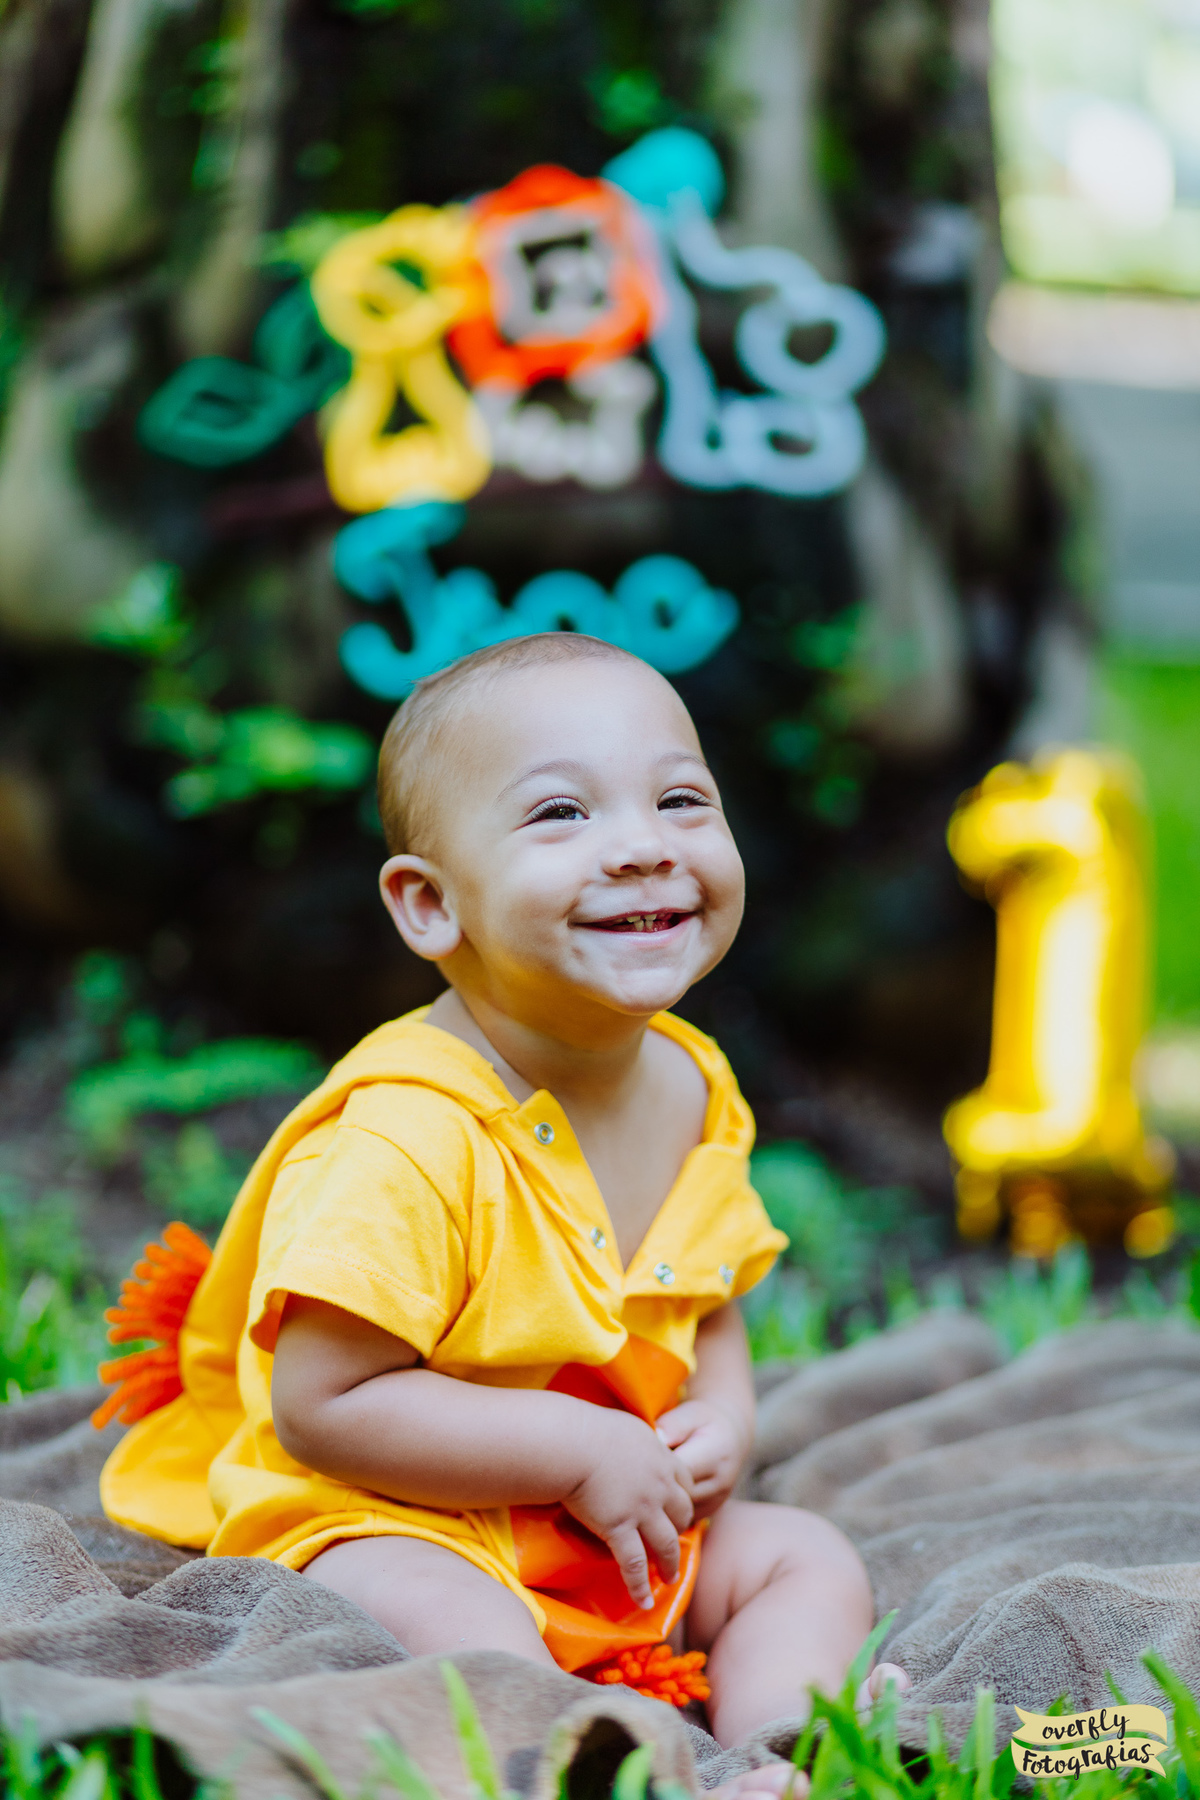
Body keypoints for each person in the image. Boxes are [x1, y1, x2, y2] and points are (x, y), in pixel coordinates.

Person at [98, 634, 904, 1798]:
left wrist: (722, 1421)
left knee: (802, 1558)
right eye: (562, 813)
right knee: (452, 1623)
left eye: (681, 800)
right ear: (431, 905)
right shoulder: (407, 1138)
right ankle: (613, 1761)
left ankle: (784, 1737)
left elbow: (707, 1297)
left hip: (610, 1523)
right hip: (407, 1515)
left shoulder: (693, 1084)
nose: (643, 846)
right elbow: (324, 1405)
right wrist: (575, 1450)